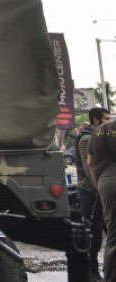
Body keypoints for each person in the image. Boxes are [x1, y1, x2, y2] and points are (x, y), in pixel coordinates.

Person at [83, 107, 112, 280]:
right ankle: (92, 272)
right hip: (90, 192)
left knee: (107, 234)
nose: (108, 121)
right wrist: (99, 187)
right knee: (93, 236)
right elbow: (88, 168)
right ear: (96, 120)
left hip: (101, 189)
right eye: (106, 118)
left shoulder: (102, 136)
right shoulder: (87, 138)